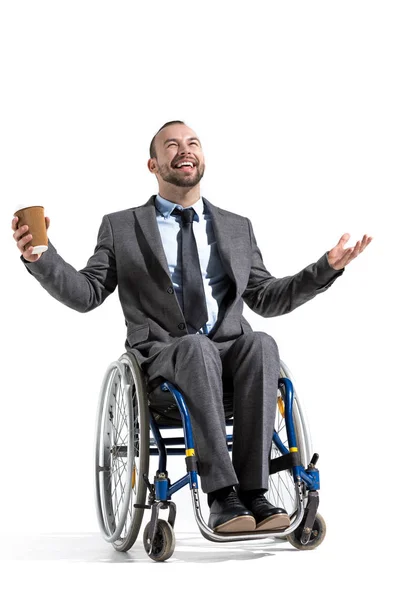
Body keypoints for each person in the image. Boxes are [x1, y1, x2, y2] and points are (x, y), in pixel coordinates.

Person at [12, 120, 372, 534]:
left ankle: (254, 493)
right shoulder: (122, 226)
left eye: (193, 143)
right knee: (196, 348)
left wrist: (325, 268)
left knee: (261, 343)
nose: (185, 150)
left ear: (202, 158)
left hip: (231, 360)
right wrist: (42, 258)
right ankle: (221, 495)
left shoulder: (238, 227)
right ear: (153, 164)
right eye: (172, 145)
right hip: (164, 360)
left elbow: (267, 297)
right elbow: (87, 293)